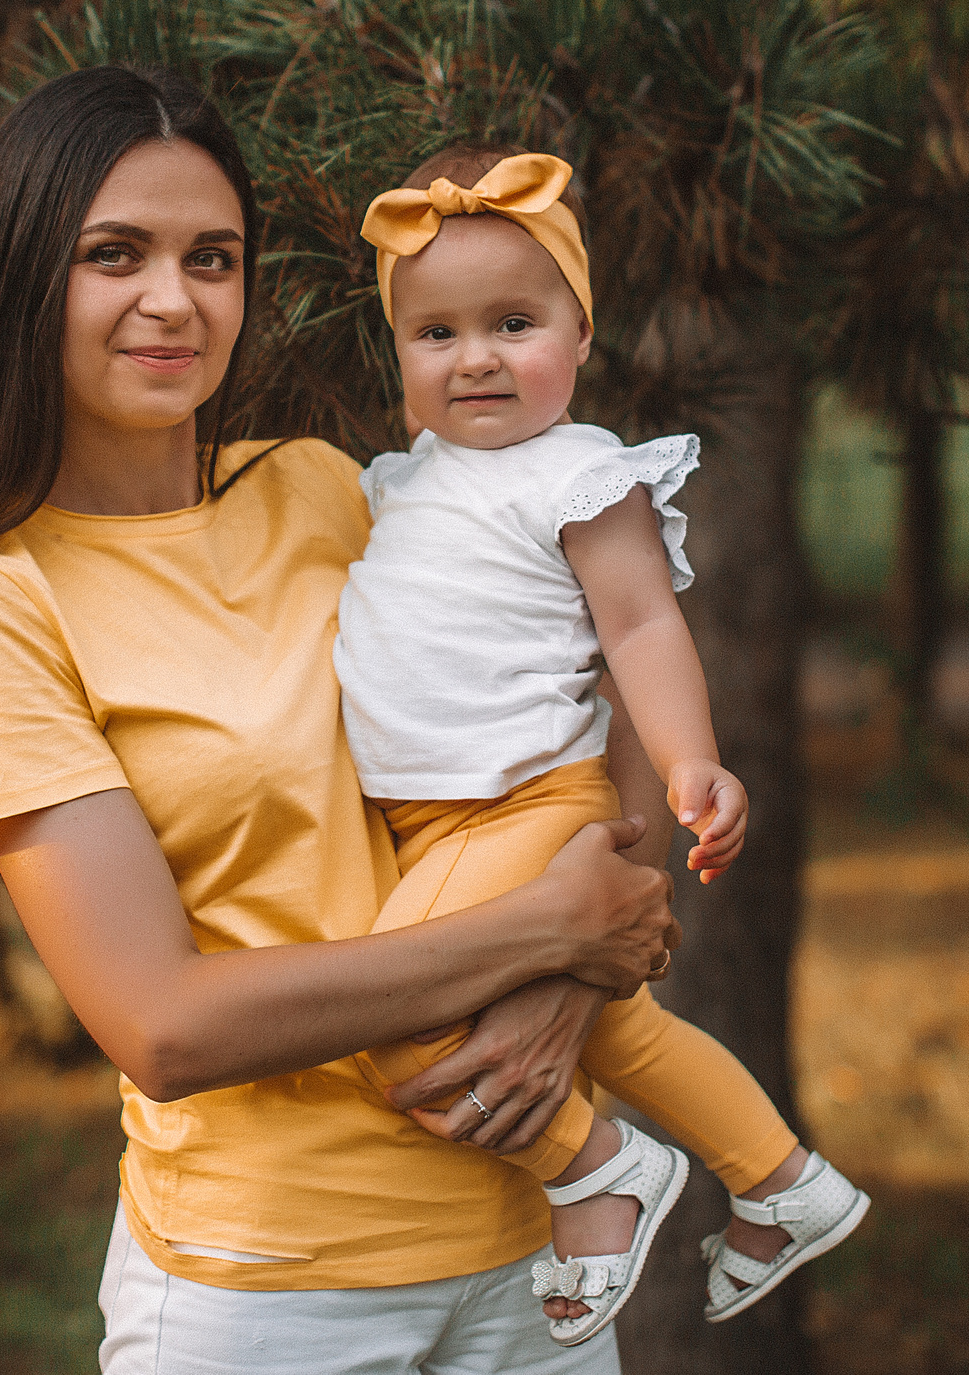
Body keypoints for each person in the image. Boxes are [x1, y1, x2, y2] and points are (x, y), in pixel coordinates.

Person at [0, 66, 683, 1374]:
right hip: (270, 1288)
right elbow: (164, 1022)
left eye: (213, 255)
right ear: (24, 277)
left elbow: (611, 653)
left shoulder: (317, 487)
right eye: (113, 254)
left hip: (526, 1246)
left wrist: (576, 969)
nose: (173, 298)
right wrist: (547, 926)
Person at [336, 147, 872, 1345]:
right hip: (433, 820)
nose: (474, 356)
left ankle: (597, 1170)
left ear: (580, 337)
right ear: (400, 355)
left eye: (513, 322)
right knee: (617, 1025)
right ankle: (784, 1182)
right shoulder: (403, 482)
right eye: (436, 334)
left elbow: (639, 624)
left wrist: (690, 761)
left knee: (385, 1010)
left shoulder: (578, 473)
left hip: (523, 804)